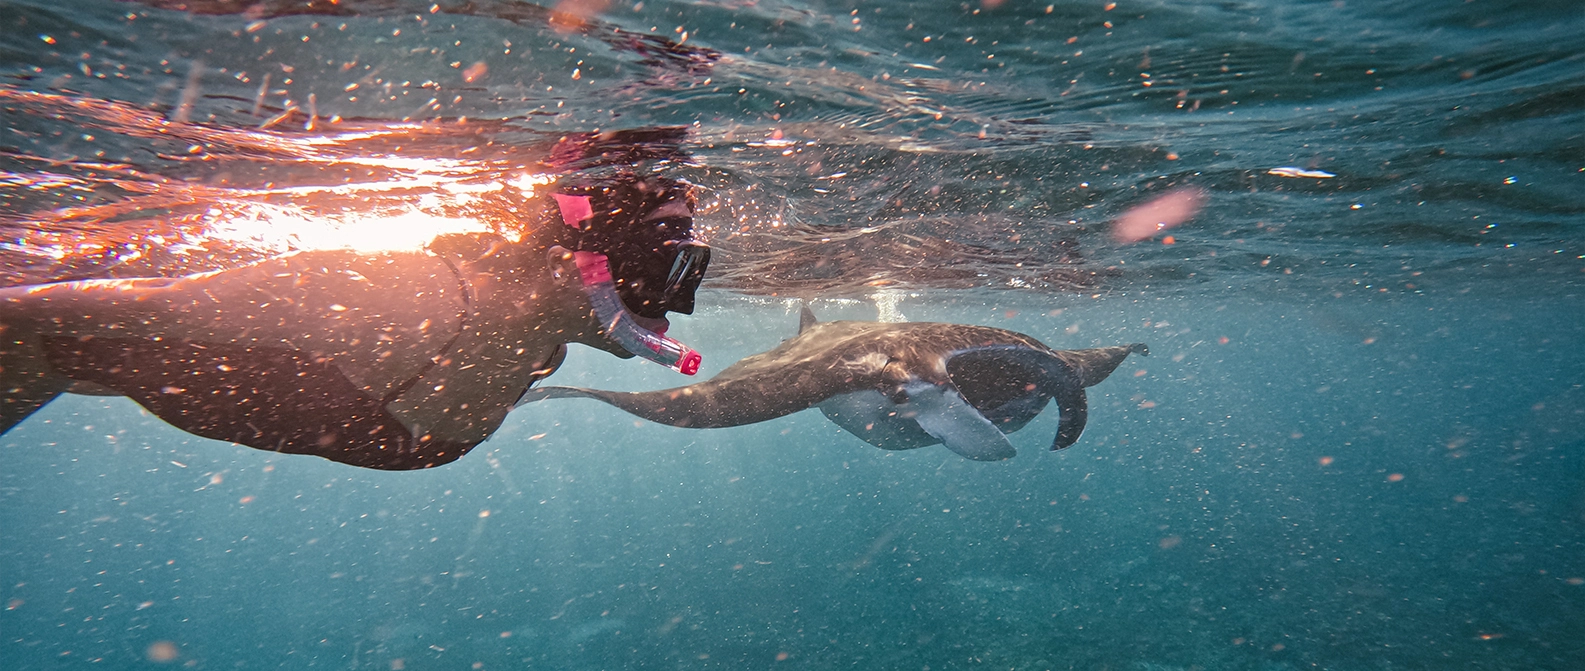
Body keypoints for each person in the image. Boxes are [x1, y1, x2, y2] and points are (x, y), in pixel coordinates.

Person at [0, 173, 710, 470]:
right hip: (276, 385)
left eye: (689, 265)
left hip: (362, 411)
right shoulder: (397, 297)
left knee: (85, 359)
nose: (673, 301)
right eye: (659, 264)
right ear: (568, 261)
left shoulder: (536, 328)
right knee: (61, 344)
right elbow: (44, 314)